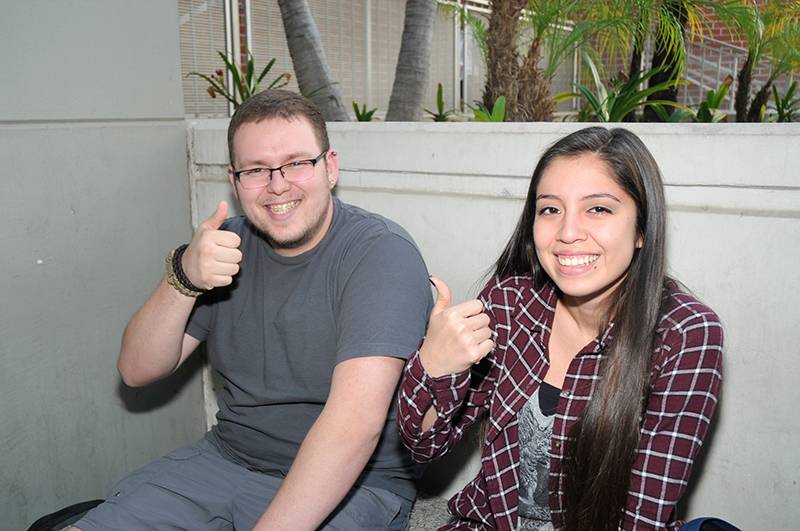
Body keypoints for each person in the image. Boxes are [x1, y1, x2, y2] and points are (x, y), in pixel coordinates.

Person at [72, 89, 432, 531]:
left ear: (330, 167)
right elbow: (136, 370)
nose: (278, 184)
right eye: (257, 169)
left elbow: (354, 426)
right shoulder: (225, 247)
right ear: (234, 179)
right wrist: (183, 277)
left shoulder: (380, 254)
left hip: (353, 485)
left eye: (298, 162)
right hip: (225, 460)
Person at [397, 127, 723, 531]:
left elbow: (642, 517)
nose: (568, 233)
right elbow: (424, 446)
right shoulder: (511, 302)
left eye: (598, 209)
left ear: (642, 229)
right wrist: (433, 364)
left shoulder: (685, 333)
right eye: (550, 209)